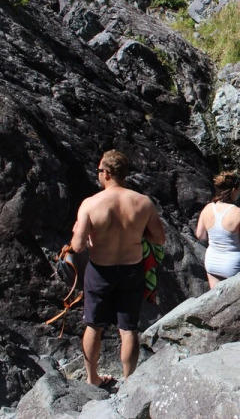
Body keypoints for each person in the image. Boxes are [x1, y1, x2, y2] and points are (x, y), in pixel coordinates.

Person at [70, 150, 165, 388]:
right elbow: (159, 238)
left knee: (94, 325)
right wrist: (136, 233)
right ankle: (130, 382)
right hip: (132, 269)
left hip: (101, 270)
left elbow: (77, 246)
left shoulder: (91, 204)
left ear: (106, 173)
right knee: (128, 328)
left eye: (99, 170)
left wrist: (83, 233)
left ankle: (92, 378)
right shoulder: (143, 202)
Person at [195, 171, 240, 289]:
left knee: (215, 296)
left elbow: (200, 235)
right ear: (234, 190)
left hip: (212, 262)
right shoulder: (239, 212)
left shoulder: (208, 208)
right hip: (233, 264)